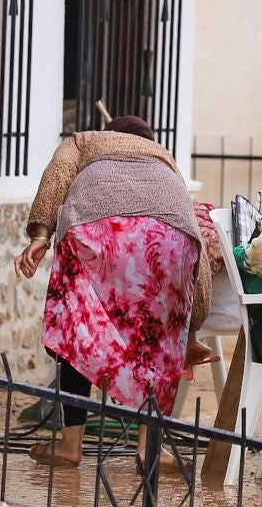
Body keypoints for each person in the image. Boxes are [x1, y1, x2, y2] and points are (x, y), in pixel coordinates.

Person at [14, 116, 214, 469]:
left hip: (95, 230)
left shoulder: (85, 141)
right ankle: (148, 449)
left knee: (79, 331)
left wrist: (40, 236)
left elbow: (57, 175)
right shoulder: (165, 160)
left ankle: (70, 446)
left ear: (110, 135)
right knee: (157, 341)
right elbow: (194, 247)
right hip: (167, 238)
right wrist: (191, 330)